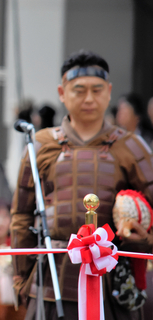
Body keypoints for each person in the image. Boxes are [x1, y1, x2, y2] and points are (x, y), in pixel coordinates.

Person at [11, 50, 153, 320]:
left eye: (97, 90)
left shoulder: (132, 147)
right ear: (62, 93)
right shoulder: (41, 144)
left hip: (113, 281)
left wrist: (142, 240)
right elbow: (21, 215)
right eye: (79, 90)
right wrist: (21, 278)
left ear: (109, 92)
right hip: (51, 279)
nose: (89, 98)